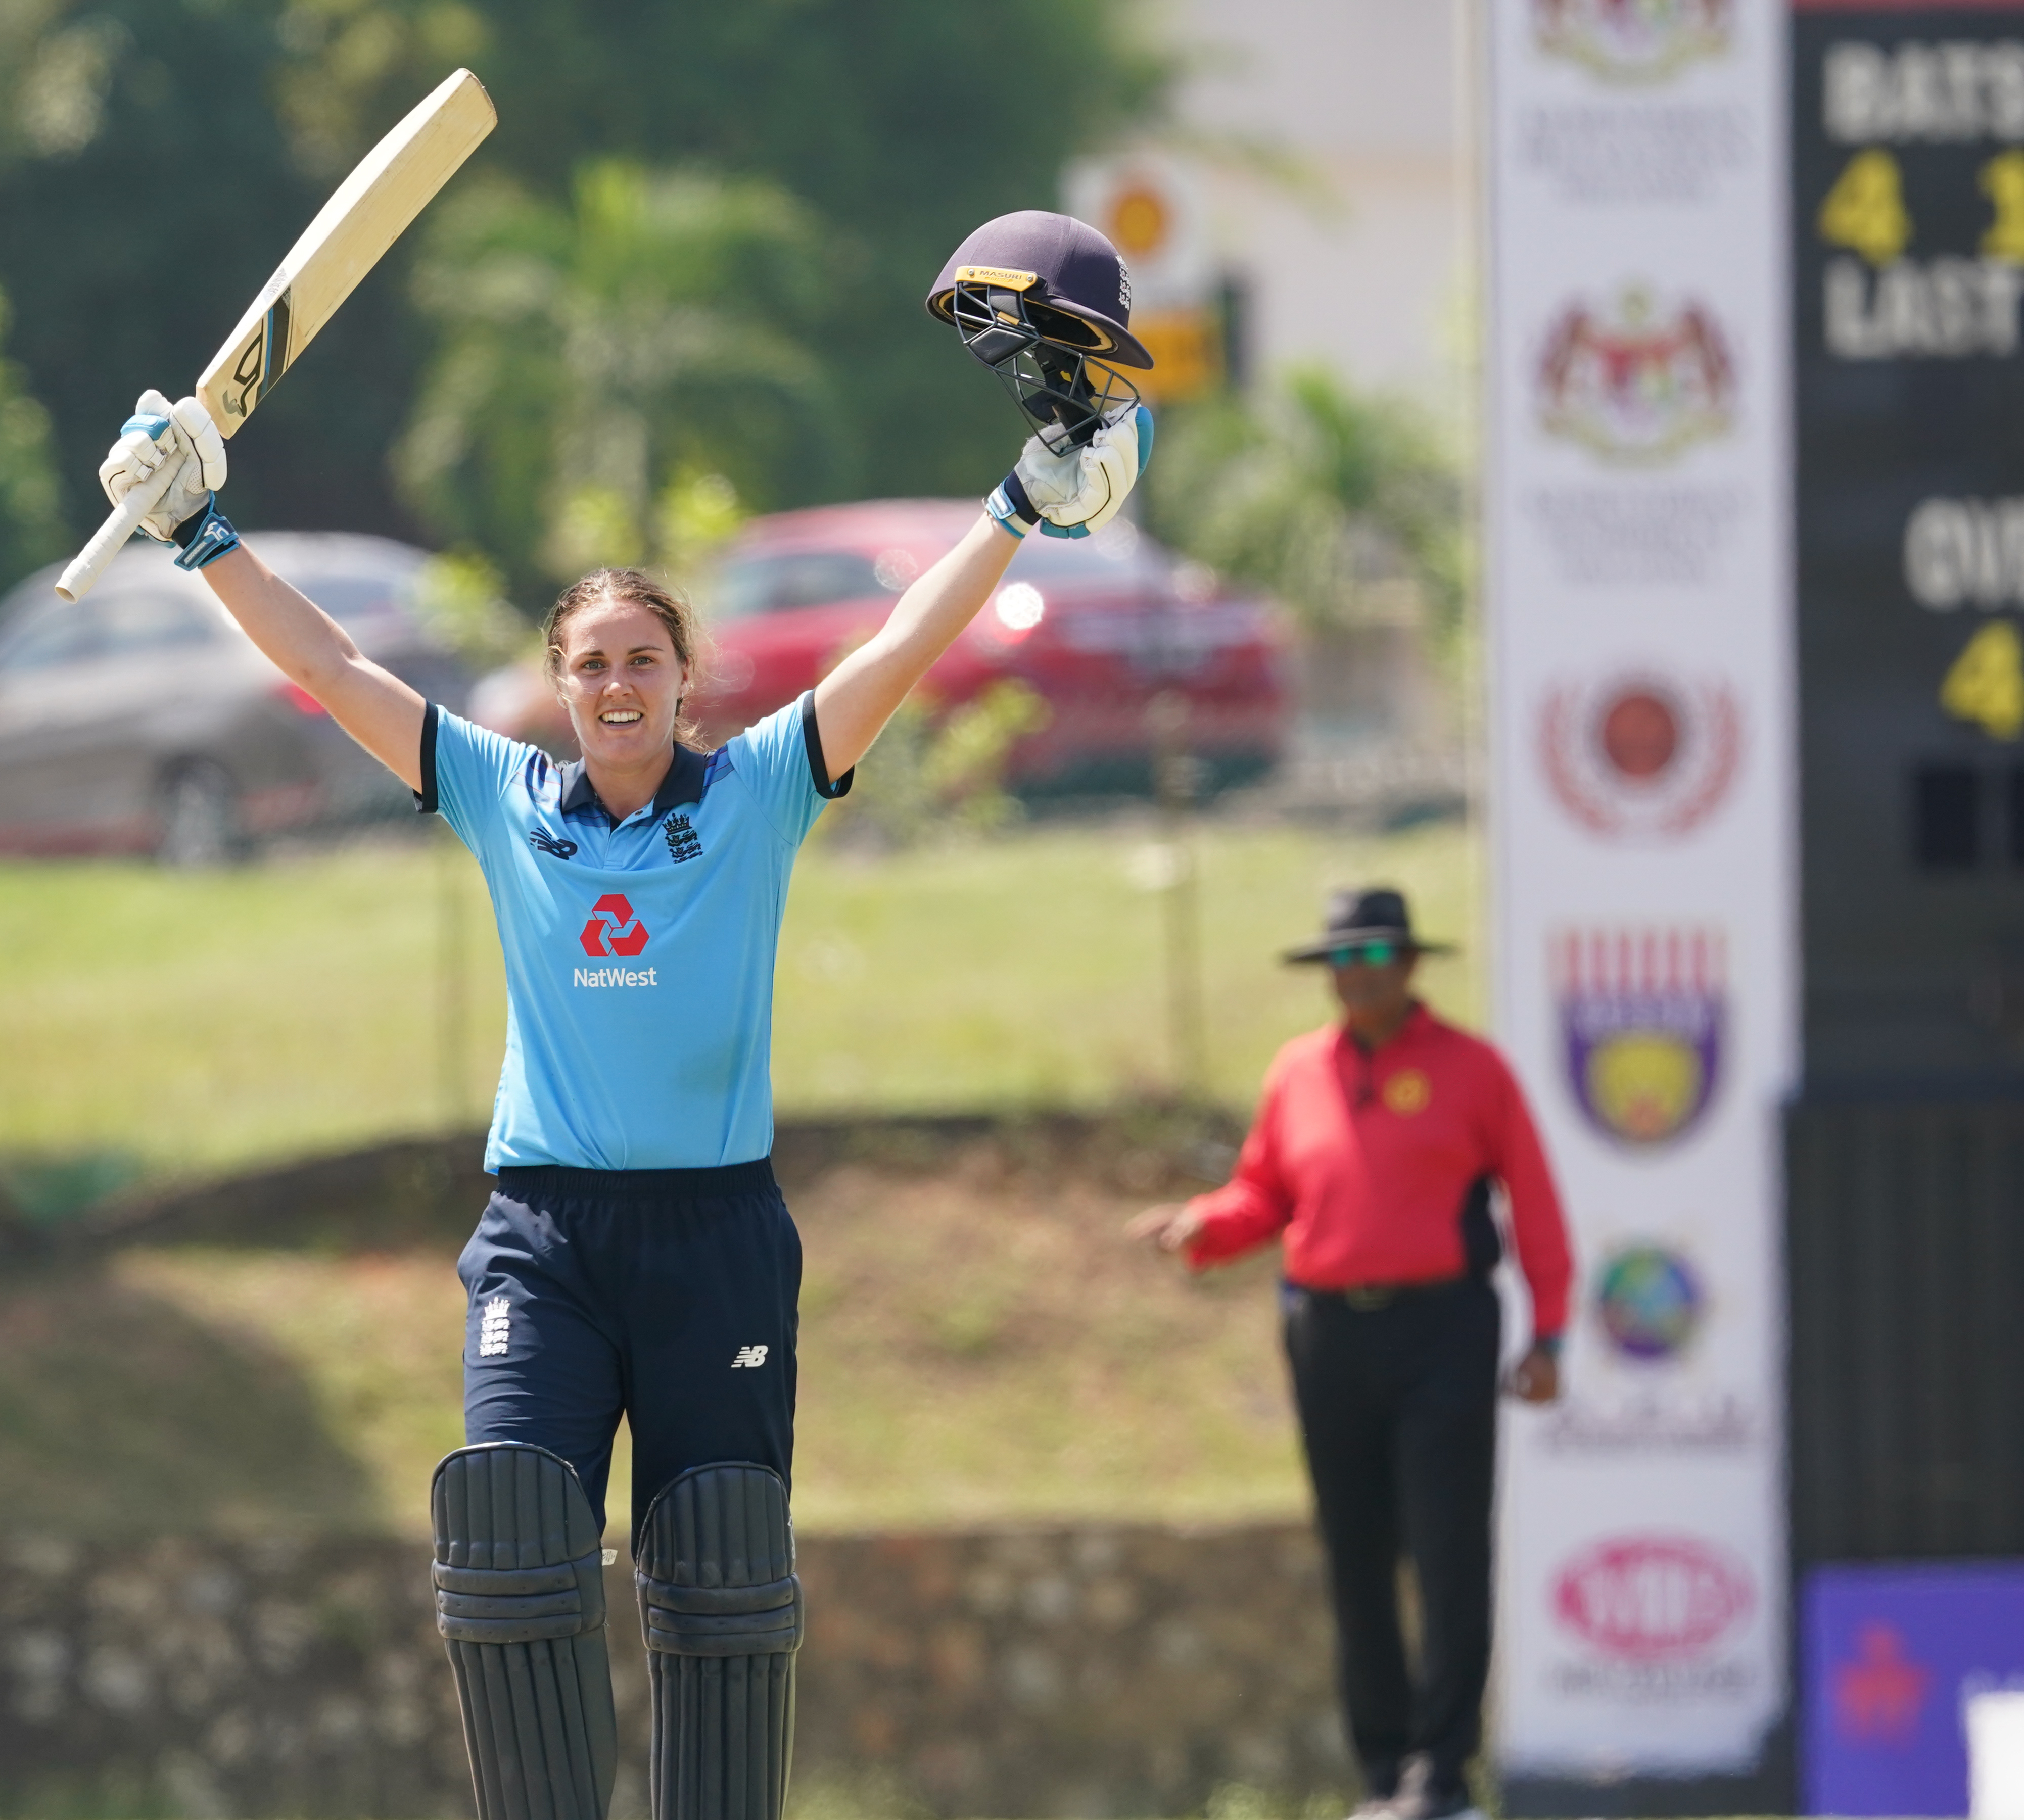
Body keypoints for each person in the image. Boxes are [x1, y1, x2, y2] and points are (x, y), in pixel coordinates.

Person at [93, 213, 1158, 1820]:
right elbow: (327, 663)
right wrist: (197, 529)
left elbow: (897, 641)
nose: (613, 687)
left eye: (641, 662)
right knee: (512, 1520)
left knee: (720, 1576)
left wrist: (1019, 506)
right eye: (588, 661)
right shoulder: (499, 792)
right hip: (547, 1233)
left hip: (716, 1235)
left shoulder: (758, 795)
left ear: (683, 681)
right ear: (558, 679)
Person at [1126, 887, 1572, 1820]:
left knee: (1449, 1551)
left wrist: (1551, 1333)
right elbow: (1267, 1193)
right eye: (1343, 959)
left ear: (1411, 965)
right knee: (1355, 1553)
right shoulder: (1298, 1072)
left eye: (1375, 956)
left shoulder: (1473, 1069)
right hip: (1330, 1332)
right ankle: (1383, 1770)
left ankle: (1441, 1774)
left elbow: (1534, 1202)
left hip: (1444, 1329)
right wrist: (1204, 1226)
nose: (1357, 974)